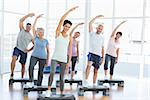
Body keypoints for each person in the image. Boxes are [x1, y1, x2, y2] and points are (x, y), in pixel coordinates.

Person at [45, 6, 78, 97]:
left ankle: (62, 93)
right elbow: (61, 20)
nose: (67, 28)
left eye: (69, 27)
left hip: (64, 59)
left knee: (62, 78)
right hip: (55, 57)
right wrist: (69, 11)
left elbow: (70, 51)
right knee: (52, 73)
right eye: (66, 26)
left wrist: (69, 62)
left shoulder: (70, 38)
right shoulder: (58, 33)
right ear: (63, 26)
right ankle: (48, 90)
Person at [10, 13, 34, 79]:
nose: (28, 28)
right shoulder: (22, 30)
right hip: (17, 48)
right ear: (26, 27)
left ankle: (22, 78)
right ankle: (12, 73)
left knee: (23, 65)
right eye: (27, 27)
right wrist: (29, 15)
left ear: (30, 28)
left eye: (29, 27)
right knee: (14, 59)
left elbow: (35, 45)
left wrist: (28, 50)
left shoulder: (31, 36)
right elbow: (21, 20)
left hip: (24, 51)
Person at [28, 14, 50, 87]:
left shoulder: (46, 41)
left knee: (41, 71)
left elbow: (48, 51)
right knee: (31, 67)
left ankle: (39, 84)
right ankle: (31, 81)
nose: (41, 33)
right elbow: (33, 27)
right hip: (34, 56)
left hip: (43, 57)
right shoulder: (36, 38)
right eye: (40, 32)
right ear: (37, 33)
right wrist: (36, 18)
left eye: (42, 32)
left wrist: (47, 60)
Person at [85, 15, 105, 86]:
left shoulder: (102, 38)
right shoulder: (92, 34)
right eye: (99, 28)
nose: (99, 29)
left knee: (96, 71)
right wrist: (96, 17)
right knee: (88, 66)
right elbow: (90, 24)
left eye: (101, 29)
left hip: (98, 55)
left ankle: (94, 83)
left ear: (102, 30)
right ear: (97, 28)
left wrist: (103, 58)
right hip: (91, 53)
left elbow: (102, 48)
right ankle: (86, 81)